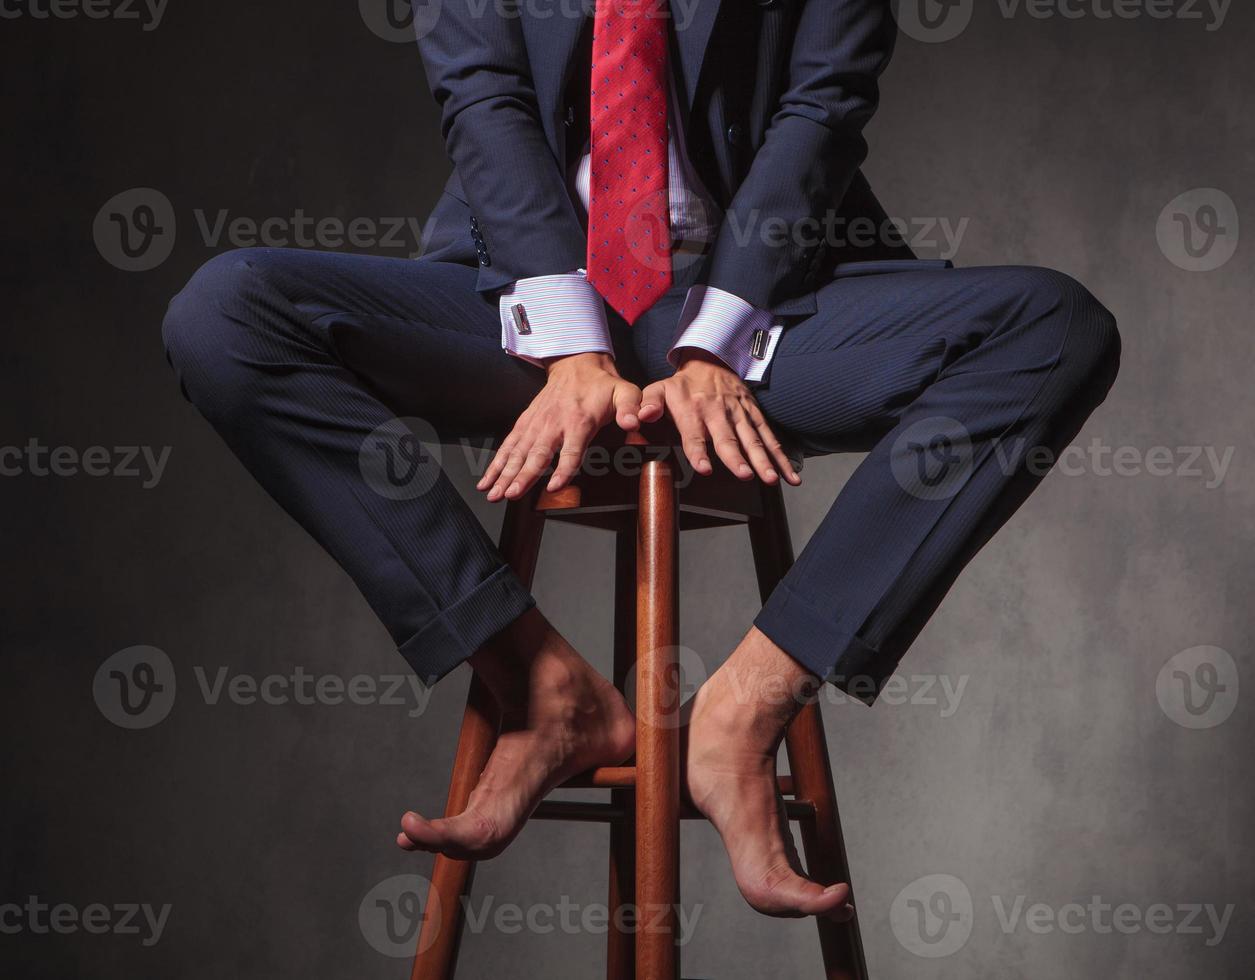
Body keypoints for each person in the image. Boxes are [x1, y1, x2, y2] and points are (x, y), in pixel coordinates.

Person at [161, 0, 1120, 922]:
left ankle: (744, 710)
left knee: (1053, 329)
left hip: (765, 311)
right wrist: (571, 349)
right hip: (515, 309)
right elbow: (483, 96)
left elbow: (821, 105)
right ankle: (539, 685)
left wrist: (717, 339)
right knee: (227, 313)